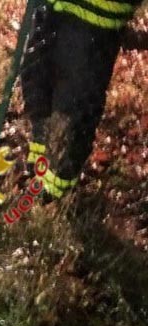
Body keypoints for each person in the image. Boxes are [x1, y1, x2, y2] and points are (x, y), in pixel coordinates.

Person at [21, 0, 143, 199]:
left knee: (75, 102)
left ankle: (55, 187)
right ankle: (40, 154)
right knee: (36, 79)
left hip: (96, 16)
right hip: (52, 7)